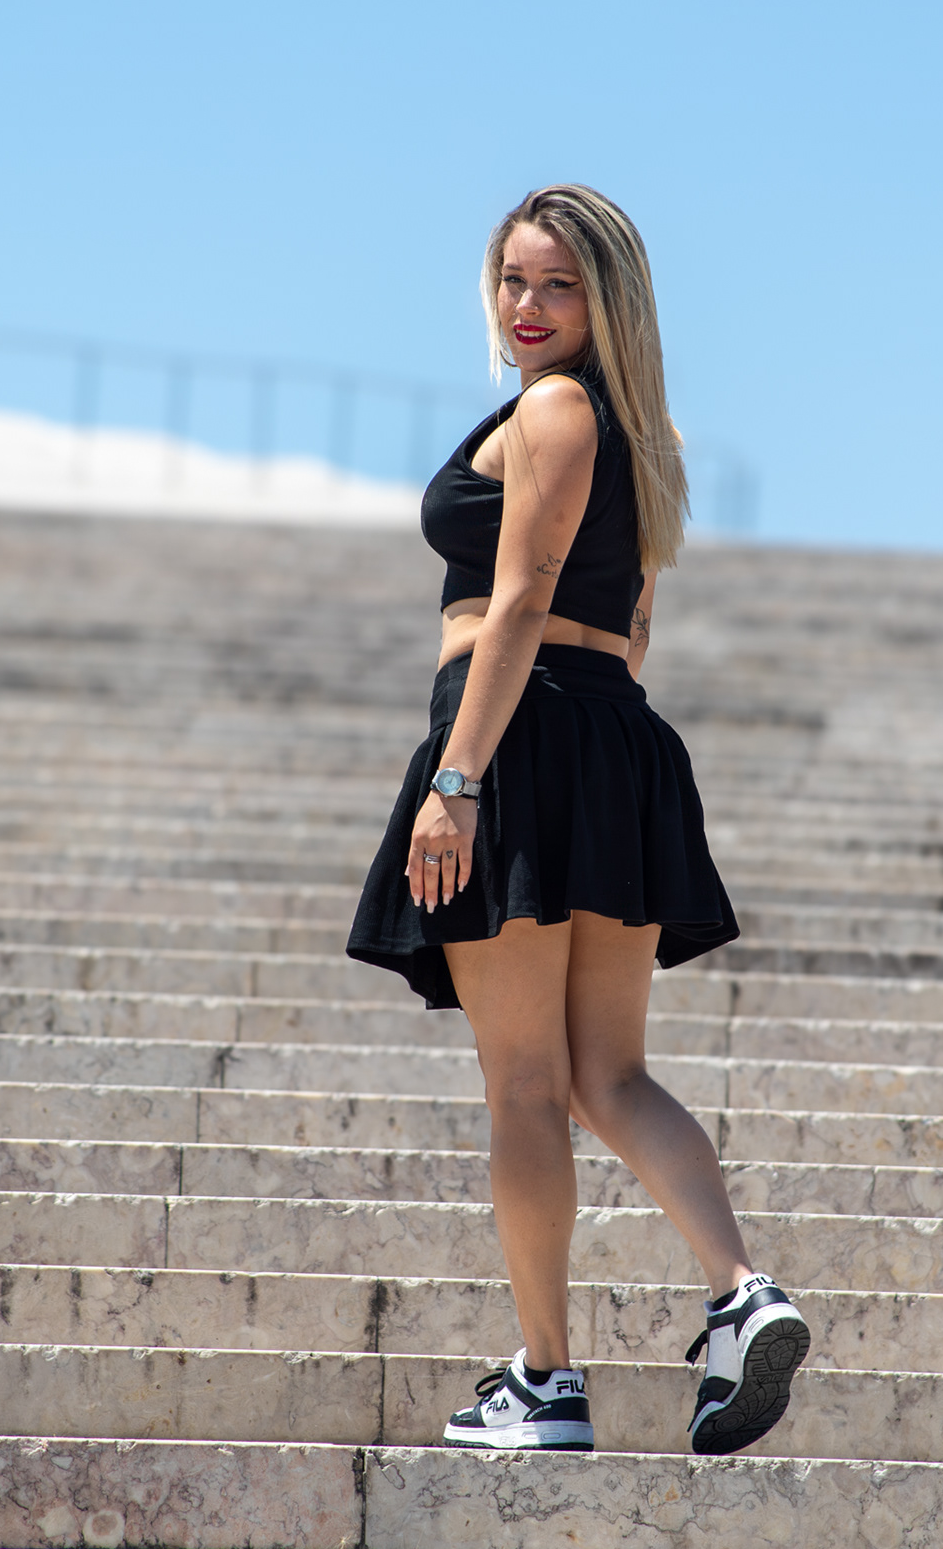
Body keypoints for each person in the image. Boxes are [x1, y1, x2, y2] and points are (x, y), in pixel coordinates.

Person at [346, 184, 808, 1455]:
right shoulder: (644, 434)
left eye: (559, 284)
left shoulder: (551, 412)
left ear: (607, 300)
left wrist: (458, 781)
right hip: (614, 739)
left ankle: (546, 1380)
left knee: (526, 1085)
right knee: (612, 1074)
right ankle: (740, 1294)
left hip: (520, 732)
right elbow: (635, 627)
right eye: (514, 280)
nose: (529, 306)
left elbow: (520, 596)